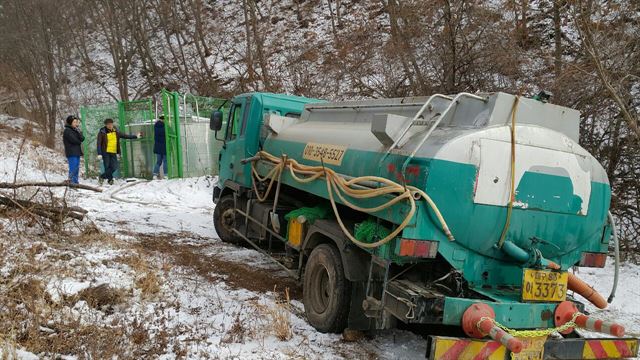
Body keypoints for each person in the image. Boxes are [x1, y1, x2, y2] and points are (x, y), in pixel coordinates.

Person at [96, 118, 142, 185]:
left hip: (113, 151)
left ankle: (102, 176)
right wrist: (99, 153)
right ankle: (110, 180)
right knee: (107, 166)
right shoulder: (102, 132)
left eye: (111, 124)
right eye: (108, 124)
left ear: (112, 124)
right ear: (105, 125)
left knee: (114, 166)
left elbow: (125, 136)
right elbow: (98, 143)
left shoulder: (116, 131)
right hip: (105, 152)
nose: (110, 126)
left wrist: (135, 136)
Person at [62, 115, 85, 184]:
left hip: (77, 151)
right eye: (74, 122)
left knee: (76, 168)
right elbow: (75, 141)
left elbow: (82, 139)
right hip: (71, 152)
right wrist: (79, 140)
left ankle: (75, 181)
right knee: (73, 167)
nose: (76, 124)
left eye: (76, 122)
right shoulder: (67, 131)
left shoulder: (75, 130)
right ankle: (71, 181)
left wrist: (78, 131)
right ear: (70, 122)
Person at [153, 115, 168, 179]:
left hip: (157, 147)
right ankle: (166, 175)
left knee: (158, 161)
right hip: (164, 146)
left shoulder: (155, 126)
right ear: (163, 120)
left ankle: (154, 175)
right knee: (165, 161)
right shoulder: (165, 127)